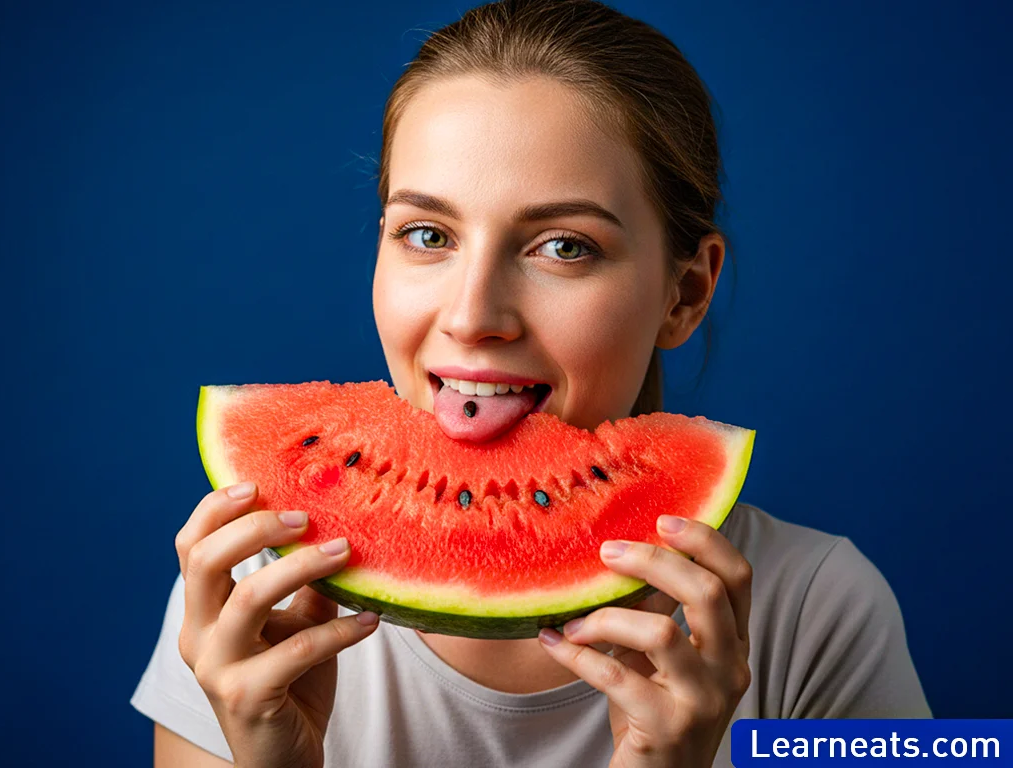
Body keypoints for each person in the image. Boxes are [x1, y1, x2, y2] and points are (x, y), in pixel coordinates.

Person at [130, 1, 932, 765]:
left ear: (684, 293)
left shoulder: (819, 611)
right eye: (426, 234)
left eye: (564, 247)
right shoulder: (249, 600)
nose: (474, 315)